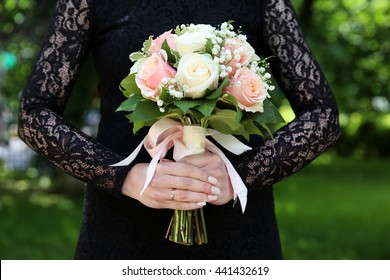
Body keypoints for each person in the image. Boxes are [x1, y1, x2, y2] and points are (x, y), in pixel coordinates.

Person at [18, 0, 340, 259]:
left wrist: (241, 174)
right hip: (121, 229)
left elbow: (323, 115)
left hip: (237, 232)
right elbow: (34, 115)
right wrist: (123, 177)